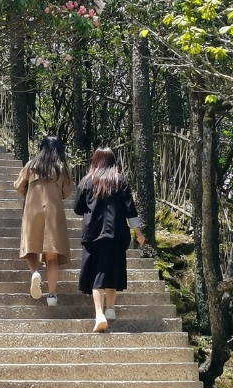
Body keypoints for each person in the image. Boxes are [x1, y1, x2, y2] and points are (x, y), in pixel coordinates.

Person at [74, 147, 146, 333]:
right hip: (116, 234)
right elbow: (130, 209)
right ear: (112, 161)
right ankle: (111, 309)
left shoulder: (87, 181)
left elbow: (77, 207)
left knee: (96, 274)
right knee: (112, 269)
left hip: (93, 234)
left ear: (95, 160)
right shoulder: (119, 180)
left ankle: (99, 314)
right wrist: (138, 232)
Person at [14, 136, 72, 307]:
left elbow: (18, 185)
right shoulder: (61, 168)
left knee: (31, 248)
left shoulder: (31, 165)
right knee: (52, 256)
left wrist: (28, 191)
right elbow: (67, 192)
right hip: (53, 213)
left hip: (33, 211)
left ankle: (34, 273)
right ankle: (52, 295)